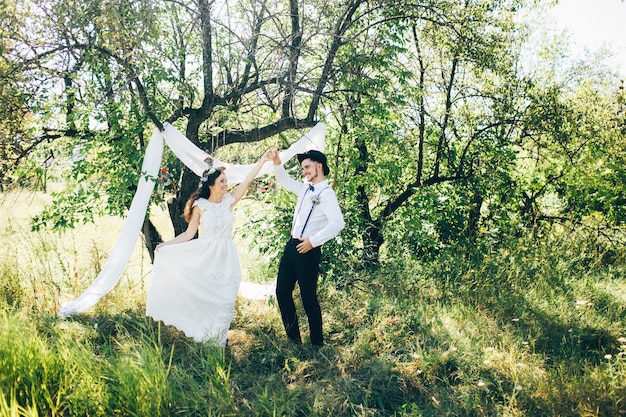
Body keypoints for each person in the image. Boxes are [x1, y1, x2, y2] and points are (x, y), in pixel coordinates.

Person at [146, 153, 271, 347]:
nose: (226, 184)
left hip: (227, 255)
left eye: (226, 181)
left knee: (226, 297)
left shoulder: (229, 201)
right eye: (222, 181)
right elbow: (188, 234)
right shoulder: (200, 206)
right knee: (208, 296)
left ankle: (219, 336)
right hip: (207, 255)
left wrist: (262, 161)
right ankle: (212, 338)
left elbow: (247, 181)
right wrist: (166, 245)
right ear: (211, 184)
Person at [268, 148, 345, 347]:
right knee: (282, 292)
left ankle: (317, 344)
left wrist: (313, 241)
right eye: (303, 168)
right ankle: (294, 340)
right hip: (291, 246)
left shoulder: (326, 194)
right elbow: (284, 180)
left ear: (319, 166)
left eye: (307, 167)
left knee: (308, 297)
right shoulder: (304, 187)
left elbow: (337, 223)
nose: (305, 171)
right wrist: (277, 161)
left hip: (308, 248)